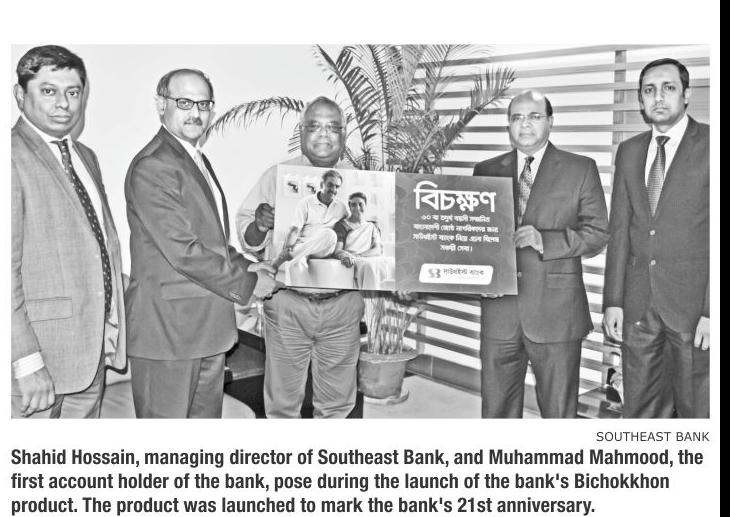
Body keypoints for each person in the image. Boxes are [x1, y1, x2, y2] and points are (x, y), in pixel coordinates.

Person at [125, 68, 276, 418]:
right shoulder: (154, 165)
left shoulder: (195, 159)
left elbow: (212, 244)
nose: (196, 112)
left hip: (207, 330)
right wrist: (249, 283)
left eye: (204, 104)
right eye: (184, 102)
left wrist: (250, 265)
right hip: (169, 334)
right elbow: (184, 252)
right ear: (161, 105)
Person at [473, 90, 609, 418]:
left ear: (550, 121)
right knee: (497, 412)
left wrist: (545, 240)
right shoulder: (486, 169)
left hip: (556, 313)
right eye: (517, 117)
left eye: (534, 116)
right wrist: (479, 277)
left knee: (558, 414)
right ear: (508, 125)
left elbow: (598, 234)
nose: (525, 124)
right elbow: (476, 237)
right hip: (500, 311)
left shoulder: (580, 168)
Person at [11, 45, 126, 418]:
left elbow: (95, 247)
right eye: (49, 91)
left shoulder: (85, 156)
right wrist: (26, 361)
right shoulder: (9, 157)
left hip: (90, 354)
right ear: (20, 95)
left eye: (73, 92)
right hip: (37, 363)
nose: (63, 103)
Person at [236, 96, 364, 418]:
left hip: (342, 305)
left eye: (333, 127)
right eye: (314, 126)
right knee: (282, 406)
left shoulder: (361, 183)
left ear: (344, 133)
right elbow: (248, 239)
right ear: (302, 131)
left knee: (337, 406)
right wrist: (259, 224)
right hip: (289, 305)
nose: (324, 134)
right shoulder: (277, 177)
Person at [602, 58, 709, 418]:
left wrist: (712, 310)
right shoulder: (629, 150)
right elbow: (619, 229)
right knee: (642, 411)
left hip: (694, 310)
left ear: (686, 94)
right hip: (638, 305)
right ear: (640, 100)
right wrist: (613, 300)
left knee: (698, 411)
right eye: (649, 90)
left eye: (668, 88)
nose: (658, 97)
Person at [273, 169, 348, 280]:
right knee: (297, 264)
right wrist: (287, 248)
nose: (333, 189)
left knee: (330, 234)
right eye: (330, 185)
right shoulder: (305, 202)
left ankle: (279, 260)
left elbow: (350, 223)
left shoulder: (342, 206)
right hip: (304, 245)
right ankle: (301, 288)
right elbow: (295, 230)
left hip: (324, 247)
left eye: (337, 186)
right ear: (322, 184)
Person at [333, 192, 385, 289]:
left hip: (367, 257)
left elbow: (377, 249)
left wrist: (359, 256)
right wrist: (346, 256)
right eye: (353, 205)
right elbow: (338, 250)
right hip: (352, 259)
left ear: (365, 205)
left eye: (361, 204)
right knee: (368, 266)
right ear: (349, 206)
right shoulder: (342, 225)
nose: (357, 208)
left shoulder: (372, 226)